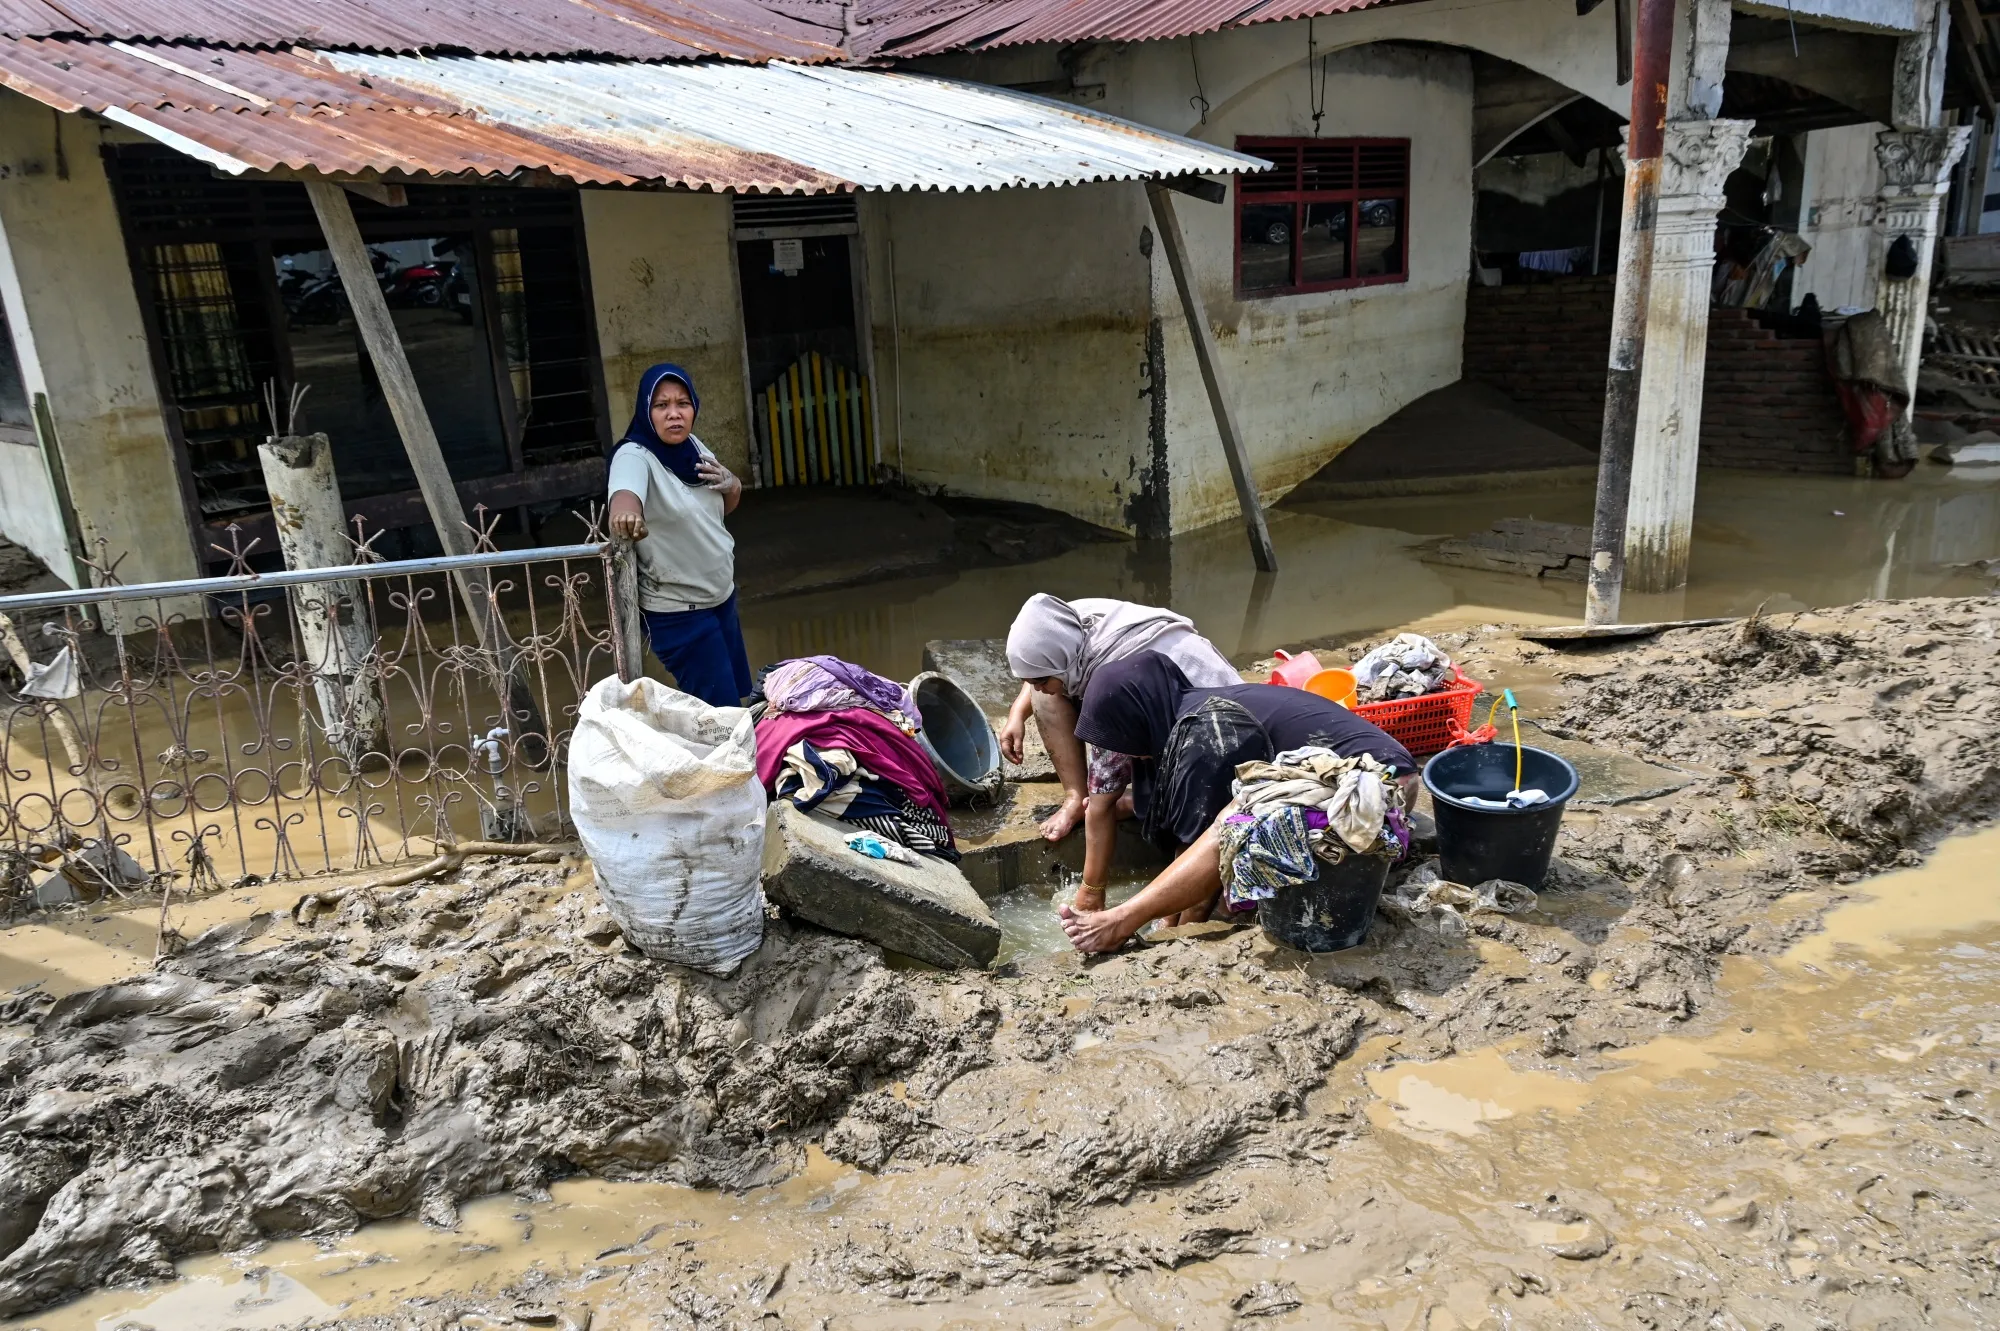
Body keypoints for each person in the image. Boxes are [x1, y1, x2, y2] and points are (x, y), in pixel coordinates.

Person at [1057, 652, 1416, 955]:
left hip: (1374, 793)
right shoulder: (1190, 706)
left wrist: (1170, 934)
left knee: (1234, 823)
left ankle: (1120, 921)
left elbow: (1208, 846)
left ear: (1137, 719)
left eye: (1116, 738)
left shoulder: (1203, 731)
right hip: (1380, 773)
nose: (1116, 753)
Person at [998, 595, 1239, 864]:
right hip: (1159, 709)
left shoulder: (1108, 685)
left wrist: (1091, 892)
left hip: (1213, 731)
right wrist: (1017, 714)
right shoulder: (1064, 623)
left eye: (1039, 679)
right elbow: (1040, 666)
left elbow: (1101, 801)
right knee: (1046, 695)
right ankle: (1076, 798)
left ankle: (1141, 803)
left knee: (1175, 816)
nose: (1035, 685)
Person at [605, 364, 751, 707]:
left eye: (682, 403)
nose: (674, 414)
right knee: (722, 716)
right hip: (681, 613)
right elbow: (624, 497)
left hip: (721, 599)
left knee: (736, 703)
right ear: (646, 410)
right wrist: (626, 514)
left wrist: (734, 484)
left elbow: (714, 512)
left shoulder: (694, 448)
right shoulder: (633, 456)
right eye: (662, 405)